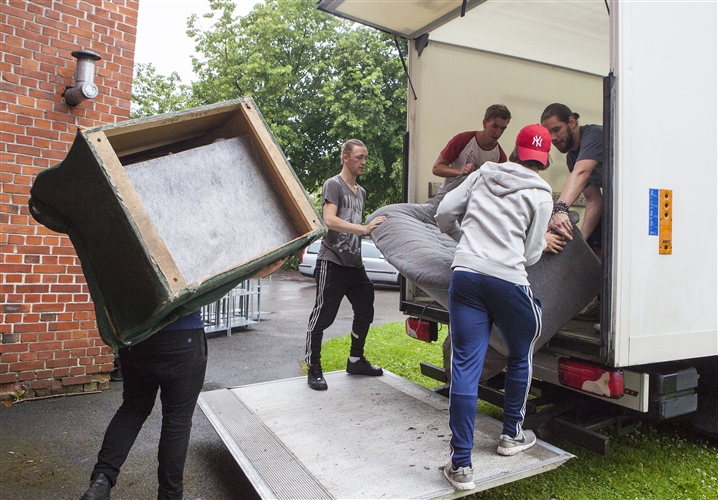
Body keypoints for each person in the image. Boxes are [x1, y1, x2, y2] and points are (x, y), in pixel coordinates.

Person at [81, 259, 286, 500]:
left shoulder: (131, 236)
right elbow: (233, 272)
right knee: (176, 421)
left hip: (138, 337)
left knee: (132, 409)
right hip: (183, 337)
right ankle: (170, 496)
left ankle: (101, 482)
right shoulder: (185, 237)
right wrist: (275, 262)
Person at [435, 124, 553, 491]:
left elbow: (443, 214)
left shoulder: (484, 173)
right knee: (521, 351)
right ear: (544, 160)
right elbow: (533, 253)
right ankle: (511, 436)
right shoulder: (542, 194)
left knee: (466, 365)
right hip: (507, 279)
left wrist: (469, 240)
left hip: (466, 275)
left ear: (514, 150)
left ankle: (461, 466)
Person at [304, 139, 386, 391]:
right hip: (332, 261)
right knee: (323, 315)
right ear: (346, 158)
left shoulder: (360, 192)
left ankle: (355, 360)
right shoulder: (333, 184)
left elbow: (358, 227)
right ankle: (313, 367)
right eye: (359, 157)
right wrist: (363, 229)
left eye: (366, 157)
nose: (364, 162)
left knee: (365, 308)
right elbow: (329, 220)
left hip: (354, 263)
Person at [540, 103, 604, 259]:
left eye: (557, 129)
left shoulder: (594, 135)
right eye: (549, 133)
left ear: (572, 122)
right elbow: (594, 199)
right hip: (614, 202)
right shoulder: (572, 158)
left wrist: (559, 209)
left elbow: (581, 172)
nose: (553, 138)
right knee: (592, 247)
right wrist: (581, 242)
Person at [432, 104, 512, 188]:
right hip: (448, 195)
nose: (498, 133)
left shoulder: (500, 157)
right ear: (485, 123)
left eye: (502, 129)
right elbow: (437, 168)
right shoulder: (462, 140)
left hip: (475, 199)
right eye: (494, 126)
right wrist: (461, 172)